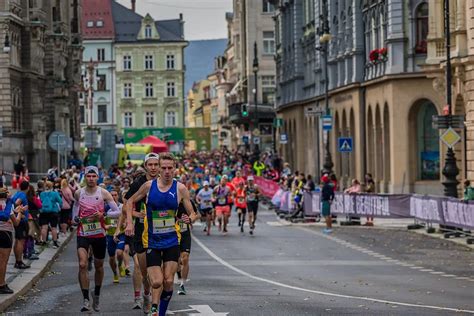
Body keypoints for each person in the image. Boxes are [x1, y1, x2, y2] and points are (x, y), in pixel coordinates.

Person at [125, 153, 197, 316]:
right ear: (159, 169)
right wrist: (130, 222)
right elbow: (129, 201)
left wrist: (188, 218)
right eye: (163, 168)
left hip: (172, 240)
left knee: (169, 281)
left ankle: (159, 311)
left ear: (174, 169)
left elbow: (193, 213)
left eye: (170, 168)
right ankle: (153, 304)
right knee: (157, 282)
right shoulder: (149, 186)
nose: (166, 171)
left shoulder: (180, 188)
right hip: (152, 241)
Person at [71, 166, 121, 312]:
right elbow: (75, 209)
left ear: (97, 177)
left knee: (99, 266)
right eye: (88, 176)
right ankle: (86, 299)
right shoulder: (78, 193)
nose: (91, 179)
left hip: (99, 234)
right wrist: (75, 219)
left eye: (94, 176)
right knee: (82, 264)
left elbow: (117, 212)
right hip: (83, 234)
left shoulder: (103, 193)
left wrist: (103, 215)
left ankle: (96, 295)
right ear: (85, 177)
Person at [120, 153, 160, 312]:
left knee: (158, 270)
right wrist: (132, 218)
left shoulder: (166, 181)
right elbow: (127, 204)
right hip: (141, 231)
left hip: (160, 232)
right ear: (145, 166)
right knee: (142, 270)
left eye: (156, 164)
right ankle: (145, 293)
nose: (153, 167)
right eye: (150, 165)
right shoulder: (139, 183)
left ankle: (155, 304)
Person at [0, 187, 25, 294]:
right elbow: (16, 223)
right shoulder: (7, 205)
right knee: (3, 261)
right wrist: (19, 213)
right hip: (5, 234)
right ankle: (1, 284)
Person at [176, 200, 200, 295]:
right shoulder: (170, 199)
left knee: (185, 258)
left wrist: (190, 219)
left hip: (185, 233)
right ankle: (178, 275)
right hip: (172, 233)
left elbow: (197, 215)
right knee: (176, 261)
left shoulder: (189, 202)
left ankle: (182, 284)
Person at [105, 190, 125, 284]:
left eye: (115, 195)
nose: (113, 196)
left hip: (121, 234)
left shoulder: (122, 207)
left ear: (118, 196)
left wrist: (125, 223)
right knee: (112, 258)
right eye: (111, 195)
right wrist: (105, 226)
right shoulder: (106, 208)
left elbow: (128, 217)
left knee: (120, 253)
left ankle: (120, 264)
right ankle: (115, 273)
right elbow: (101, 220)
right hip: (110, 235)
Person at [11, 181, 30, 269]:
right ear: (28, 187)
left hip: (18, 220)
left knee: (17, 240)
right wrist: (19, 210)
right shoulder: (22, 195)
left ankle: (17, 261)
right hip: (22, 221)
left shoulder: (16, 193)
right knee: (21, 241)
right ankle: (19, 261)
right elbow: (16, 203)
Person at [39, 181, 62, 248]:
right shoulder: (55, 193)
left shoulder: (42, 194)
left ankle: (44, 241)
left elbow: (40, 201)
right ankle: (54, 242)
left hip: (44, 212)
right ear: (51, 186)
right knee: (53, 227)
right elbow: (60, 201)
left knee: (44, 227)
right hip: (53, 212)